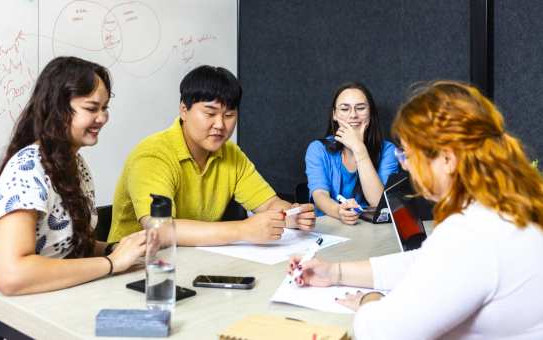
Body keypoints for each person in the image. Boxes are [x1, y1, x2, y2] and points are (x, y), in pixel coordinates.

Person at [289, 81, 543, 339]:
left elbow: (382, 333)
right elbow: (424, 263)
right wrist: (336, 272)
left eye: (409, 156)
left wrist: (372, 300)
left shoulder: (472, 234)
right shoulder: (504, 208)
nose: (407, 167)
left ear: (447, 159)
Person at [0, 56, 149, 339]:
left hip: (58, 300)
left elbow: (65, 247)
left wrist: (116, 248)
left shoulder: (75, 165)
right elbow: (13, 275)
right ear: (58, 109)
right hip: (14, 318)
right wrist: (113, 263)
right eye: (92, 108)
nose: (102, 118)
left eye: (105, 108)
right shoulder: (28, 168)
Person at [107, 65, 315, 246]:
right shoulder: (153, 154)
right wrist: (242, 230)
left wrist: (290, 215)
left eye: (229, 115)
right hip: (137, 267)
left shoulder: (230, 153)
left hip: (196, 259)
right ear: (183, 110)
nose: (220, 125)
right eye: (210, 113)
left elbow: (269, 204)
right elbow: (160, 229)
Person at [305, 82, 398, 224]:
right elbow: (320, 194)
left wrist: (359, 149)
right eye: (344, 109)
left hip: (371, 230)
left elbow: (379, 202)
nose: (353, 115)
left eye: (360, 108)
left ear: (371, 113)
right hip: (330, 228)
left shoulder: (388, 150)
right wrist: (339, 212)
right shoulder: (317, 149)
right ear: (334, 115)